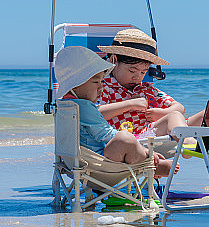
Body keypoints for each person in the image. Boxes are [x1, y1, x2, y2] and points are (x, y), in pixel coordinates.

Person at [54, 45, 177, 177]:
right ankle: (151, 165)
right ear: (76, 84)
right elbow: (105, 134)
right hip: (99, 166)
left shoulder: (64, 105)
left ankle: (150, 163)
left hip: (75, 164)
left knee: (125, 138)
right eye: (96, 82)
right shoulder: (83, 106)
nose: (101, 87)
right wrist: (145, 151)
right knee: (124, 138)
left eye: (102, 81)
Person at [97, 28, 203, 142]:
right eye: (132, 71)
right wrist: (129, 104)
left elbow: (179, 107)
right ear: (114, 60)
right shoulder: (104, 87)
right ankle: (188, 143)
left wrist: (163, 113)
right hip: (131, 140)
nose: (137, 77)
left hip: (155, 133)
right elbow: (93, 114)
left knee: (206, 115)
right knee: (174, 117)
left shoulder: (146, 89)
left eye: (143, 72)